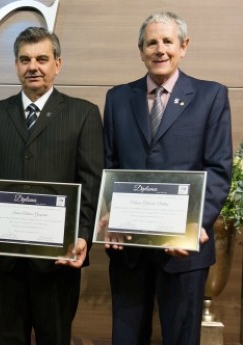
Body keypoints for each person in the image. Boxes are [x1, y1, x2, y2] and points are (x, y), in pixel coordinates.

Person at [0, 26, 104, 344]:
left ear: (58, 63)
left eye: (42, 58)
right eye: (25, 59)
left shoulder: (83, 114)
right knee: (9, 337)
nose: (33, 66)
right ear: (16, 65)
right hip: (4, 257)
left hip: (58, 258)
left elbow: (91, 182)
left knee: (54, 337)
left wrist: (83, 235)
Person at [102, 12, 232, 345]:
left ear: (183, 46)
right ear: (141, 50)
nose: (160, 49)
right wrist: (109, 215)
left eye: (167, 41)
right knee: (127, 337)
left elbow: (217, 169)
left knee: (181, 338)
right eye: (151, 42)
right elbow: (109, 165)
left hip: (184, 251)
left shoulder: (211, 96)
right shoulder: (118, 98)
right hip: (129, 247)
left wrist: (194, 226)